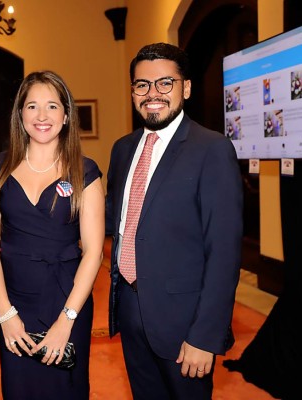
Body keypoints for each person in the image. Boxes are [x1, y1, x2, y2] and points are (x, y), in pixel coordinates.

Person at [105, 42, 243, 399]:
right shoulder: (122, 150)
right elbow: (116, 221)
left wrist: (205, 335)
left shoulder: (211, 149)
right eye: (142, 85)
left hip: (185, 323)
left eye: (165, 83)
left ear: (186, 88)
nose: (153, 94)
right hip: (131, 311)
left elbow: (224, 253)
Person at [0, 70, 105, 399]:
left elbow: (94, 251)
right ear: (20, 115)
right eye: (32, 106)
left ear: (66, 115)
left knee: (66, 389)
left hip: (68, 298)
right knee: (19, 388)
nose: (42, 115)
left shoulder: (85, 170)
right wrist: (5, 313)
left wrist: (67, 321)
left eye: (52, 106)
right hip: (14, 300)